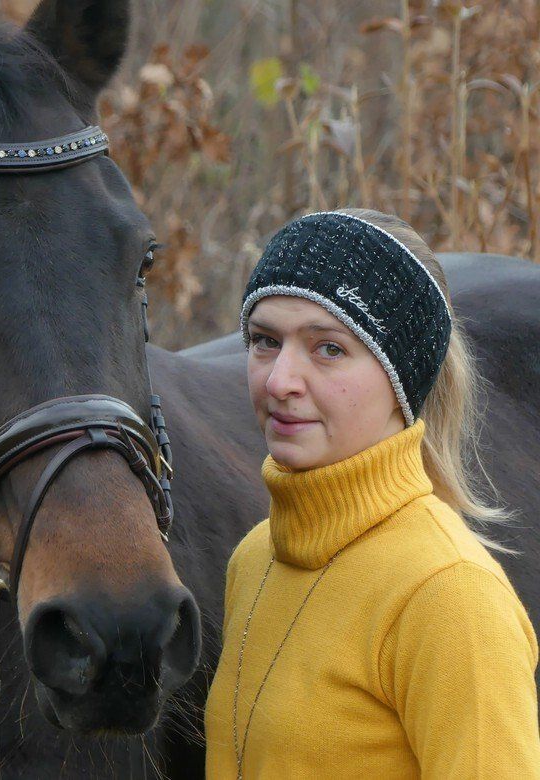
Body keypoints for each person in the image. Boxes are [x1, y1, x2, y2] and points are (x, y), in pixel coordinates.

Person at [203, 208, 540, 777]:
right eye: (264, 341)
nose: (280, 380)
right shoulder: (255, 559)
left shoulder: (450, 595)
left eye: (328, 348)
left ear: (402, 377)